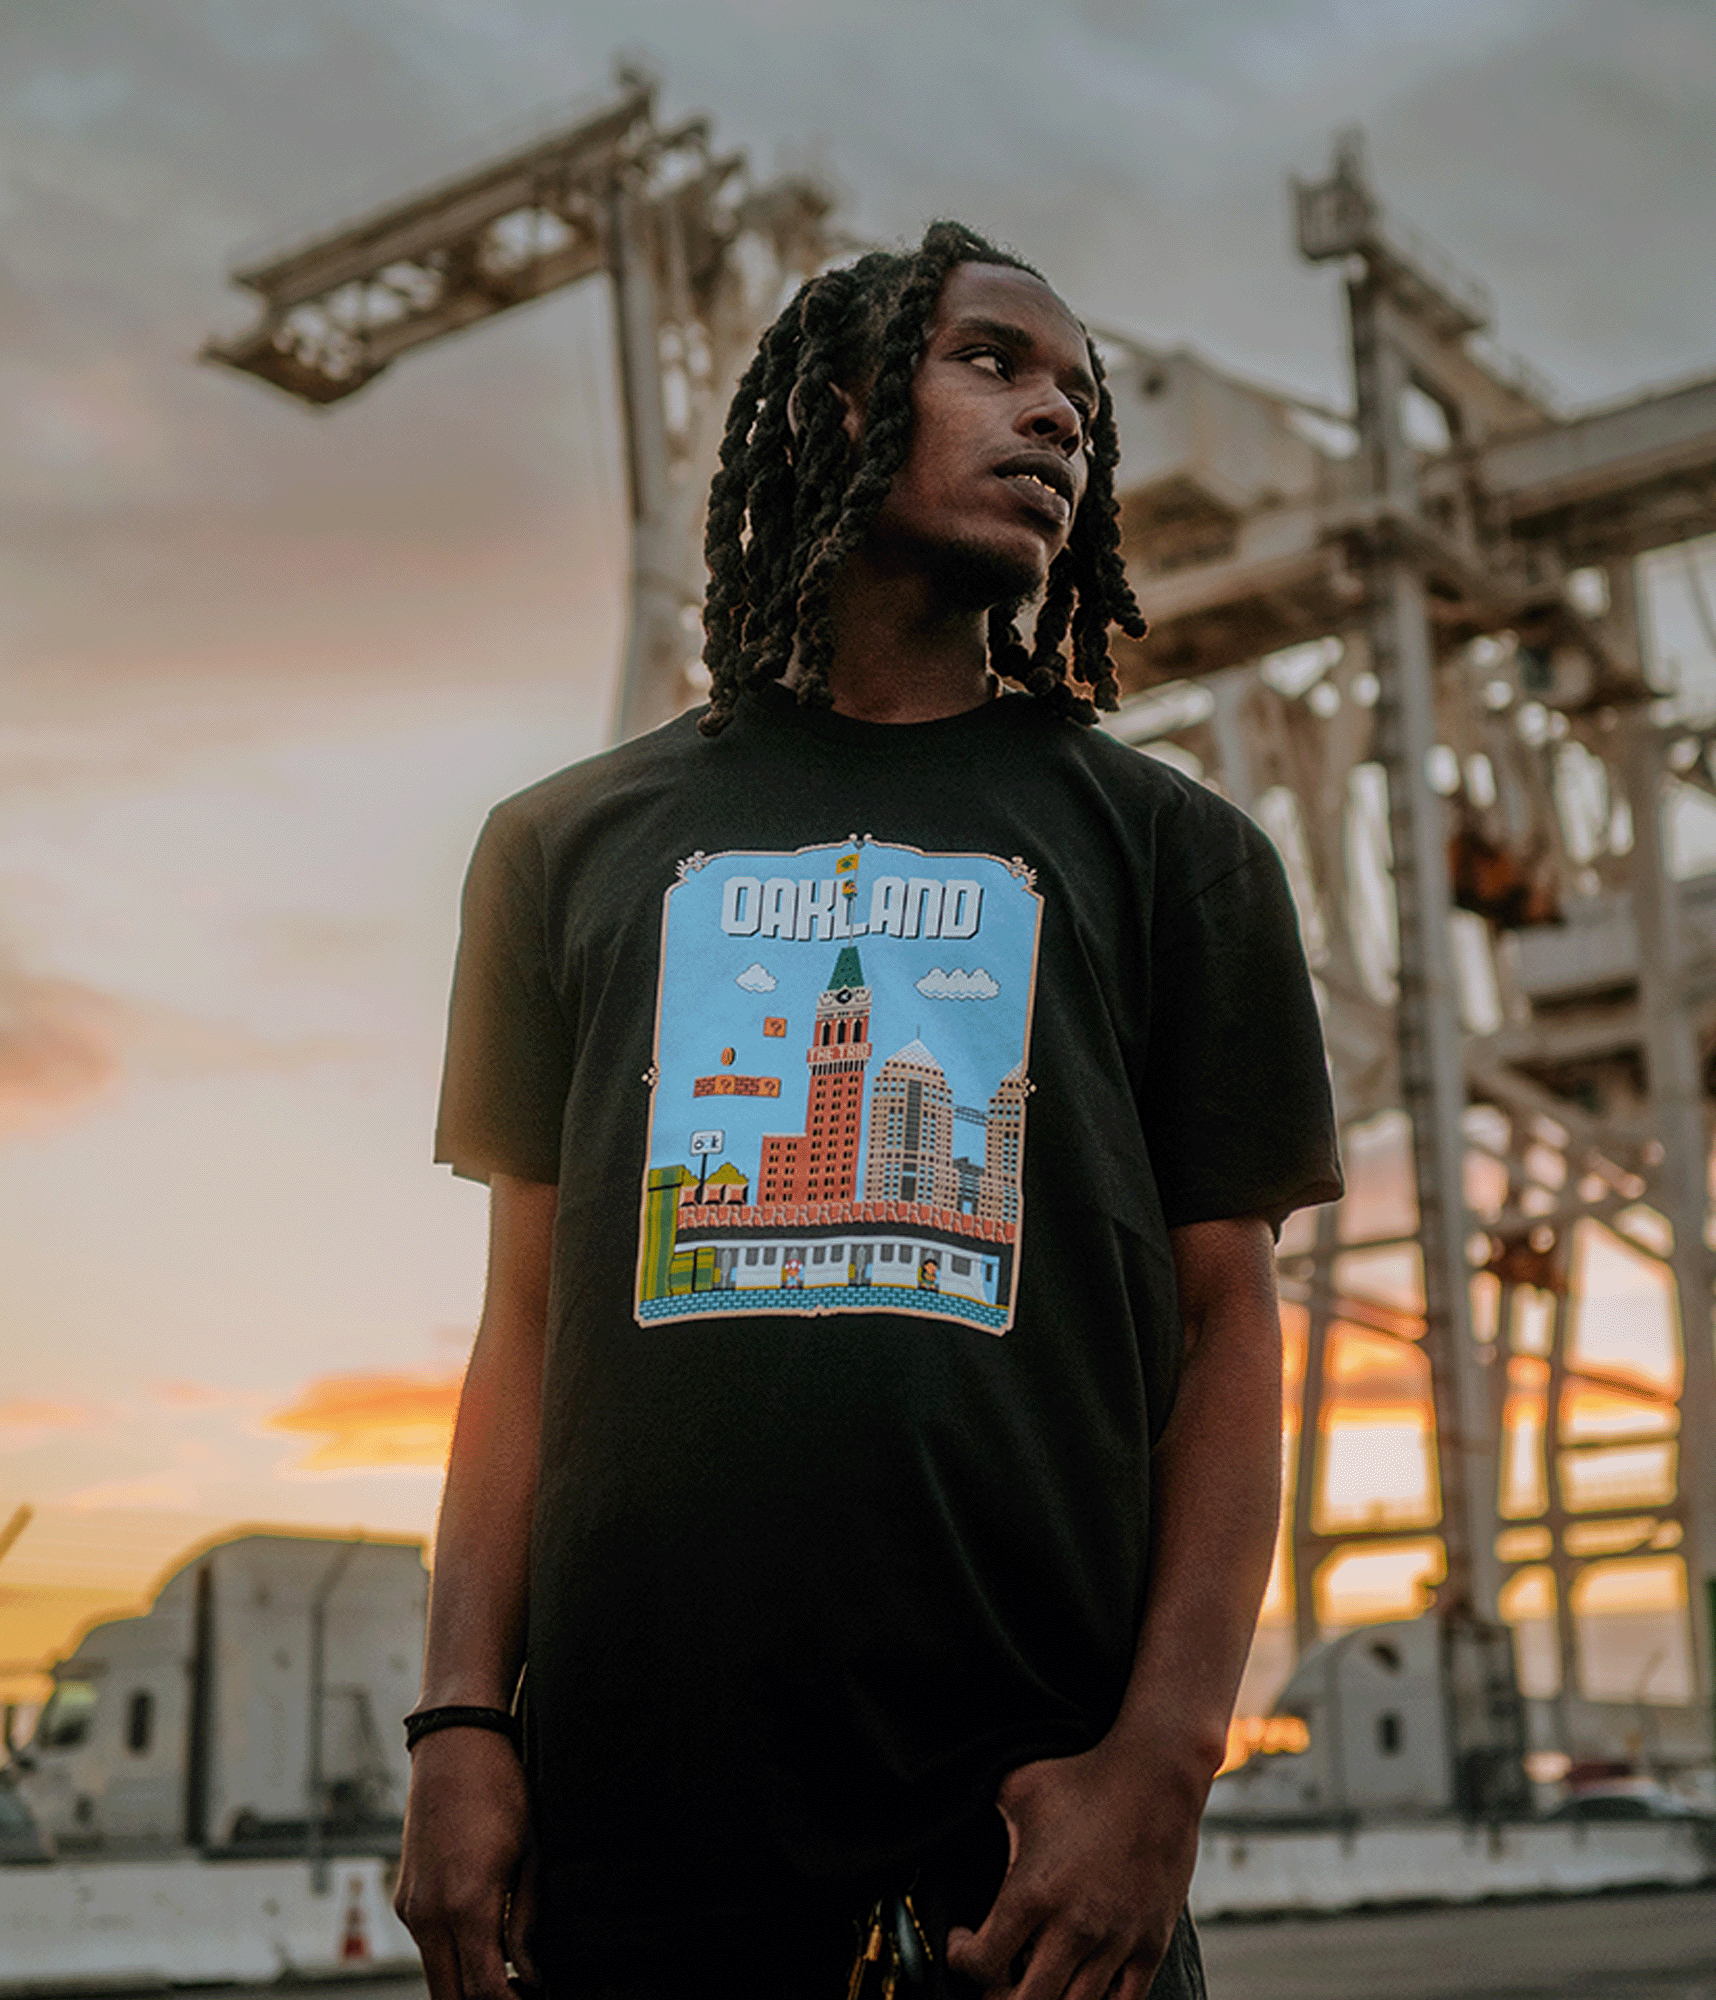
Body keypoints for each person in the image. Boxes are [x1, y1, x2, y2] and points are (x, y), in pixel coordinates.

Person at [397, 220, 1342, 2000]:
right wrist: (461, 1721)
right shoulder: (561, 846)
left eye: (1084, 395)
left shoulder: (1179, 857)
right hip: (633, 1842)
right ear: (838, 408)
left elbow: (1229, 1334)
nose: (1058, 416)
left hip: (1021, 1853)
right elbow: (525, 1319)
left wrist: (1162, 1768)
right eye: (994, 362)